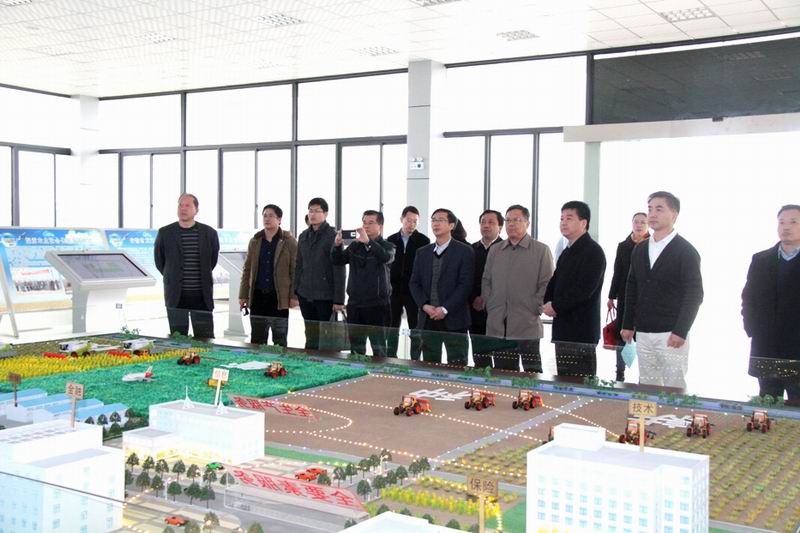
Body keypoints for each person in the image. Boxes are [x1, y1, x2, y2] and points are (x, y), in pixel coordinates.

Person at [621, 191, 703, 389]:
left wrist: (681, 330)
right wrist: (627, 323)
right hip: (643, 331)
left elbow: (694, 294)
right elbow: (631, 286)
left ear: (674, 214)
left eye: (659, 209)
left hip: (671, 333)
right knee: (647, 385)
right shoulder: (640, 249)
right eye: (650, 209)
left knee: (674, 386)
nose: (653, 214)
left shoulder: (686, 251)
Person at [482, 205, 553, 372]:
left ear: (527, 223)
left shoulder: (541, 250)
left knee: (532, 373)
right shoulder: (495, 249)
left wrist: (536, 307)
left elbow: (546, 283)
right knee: (502, 373)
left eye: (516, 220)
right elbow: (486, 280)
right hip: (498, 322)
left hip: (527, 323)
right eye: (508, 220)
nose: (511, 224)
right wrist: (489, 304)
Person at [742, 204, 800, 404]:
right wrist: (751, 328)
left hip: (797, 348)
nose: (786, 227)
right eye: (782, 222)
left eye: (793, 222)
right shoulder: (761, 259)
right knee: (768, 404)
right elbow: (748, 298)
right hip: (767, 346)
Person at [543, 201, 606, 377]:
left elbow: (584, 291)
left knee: (581, 383)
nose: (563, 222)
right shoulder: (567, 251)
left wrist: (556, 306)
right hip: (563, 327)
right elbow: (555, 280)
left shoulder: (593, 252)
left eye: (569, 218)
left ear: (583, 223)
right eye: (561, 218)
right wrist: (547, 302)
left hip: (581, 330)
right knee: (564, 381)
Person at [409, 208, 474, 366]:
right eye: (433, 220)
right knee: (430, 364)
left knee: (458, 364)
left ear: (451, 225)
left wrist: (444, 309)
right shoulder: (422, 252)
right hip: (428, 318)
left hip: (454, 318)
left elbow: (465, 285)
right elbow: (414, 283)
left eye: (440, 220)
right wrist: (424, 305)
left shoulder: (464, 251)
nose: (436, 223)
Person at [154, 193, 220, 339]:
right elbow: (160, 261)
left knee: (205, 339)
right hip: (176, 296)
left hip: (201, 296)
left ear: (196, 210)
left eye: (188, 205)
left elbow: (212, 260)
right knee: (178, 339)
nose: (183, 209)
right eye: (180, 205)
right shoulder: (165, 233)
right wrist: (172, 275)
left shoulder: (209, 233)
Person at [332, 210, 395, 357]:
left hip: (378, 305)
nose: (366, 226)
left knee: (379, 348)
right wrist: (337, 245)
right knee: (356, 348)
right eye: (364, 223)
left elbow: (386, 257)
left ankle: (380, 373)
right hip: (355, 304)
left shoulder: (388, 245)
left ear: (380, 226)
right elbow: (338, 260)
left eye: (371, 223)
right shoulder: (355, 246)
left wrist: (369, 242)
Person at [239, 204, 298, 347]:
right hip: (258, 296)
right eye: (265, 215)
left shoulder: (289, 241)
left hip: (278, 297)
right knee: (257, 339)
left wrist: (294, 296)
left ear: (279, 219)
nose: (267, 218)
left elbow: (295, 271)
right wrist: (243, 295)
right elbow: (247, 270)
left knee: (280, 339)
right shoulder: (255, 241)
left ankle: (279, 362)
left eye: (271, 216)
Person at [294, 197, 346, 350]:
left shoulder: (333, 236)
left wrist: (339, 299)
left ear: (326, 214)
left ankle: (325, 362)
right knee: (310, 334)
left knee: (326, 337)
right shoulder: (303, 236)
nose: (313, 214)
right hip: (305, 293)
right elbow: (299, 265)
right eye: (310, 211)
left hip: (325, 295)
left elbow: (339, 268)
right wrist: (295, 290)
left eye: (317, 211)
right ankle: (310, 361)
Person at [607, 212, 649, 381]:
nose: (639, 225)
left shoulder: (652, 244)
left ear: (647, 225)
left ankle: (643, 375)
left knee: (643, 336)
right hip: (625, 296)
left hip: (645, 297)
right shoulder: (623, 246)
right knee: (621, 334)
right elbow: (617, 272)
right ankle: (619, 373)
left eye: (643, 222)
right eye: (636, 222)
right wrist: (611, 297)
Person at [386, 206, 430, 358]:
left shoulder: (423, 240)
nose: (411, 224)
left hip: (414, 291)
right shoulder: (391, 239)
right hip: (394, 289)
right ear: (401, 219)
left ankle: (415, 360)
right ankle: (391, 357)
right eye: (409, 220)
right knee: (392, 327)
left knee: (415, 327)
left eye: (415, 221)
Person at [470, 209, 504, 368]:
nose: (486, 226)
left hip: (500, 309)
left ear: (500, 227)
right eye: (483, 222)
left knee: (502, 357)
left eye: (491, 222)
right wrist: (473, 297)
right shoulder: (471, 249)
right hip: (475, 308)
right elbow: (466, 278)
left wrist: (488, 297)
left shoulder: (506, 249)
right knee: (480, 356)